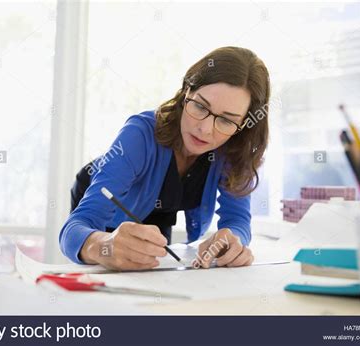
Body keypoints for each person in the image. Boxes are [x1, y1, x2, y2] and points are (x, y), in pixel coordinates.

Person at [60, 46, 270, 271]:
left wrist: (233, 240)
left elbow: (237, 221)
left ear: (244, 126)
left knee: (152, 267)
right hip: (100, 193)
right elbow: (73, 228)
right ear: (186, 92)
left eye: (227, 121)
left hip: (160, 210)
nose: (205, 130)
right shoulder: (139, 134)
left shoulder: (234, 149)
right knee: (111, 265)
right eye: (200, 106)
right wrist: (100, 245)